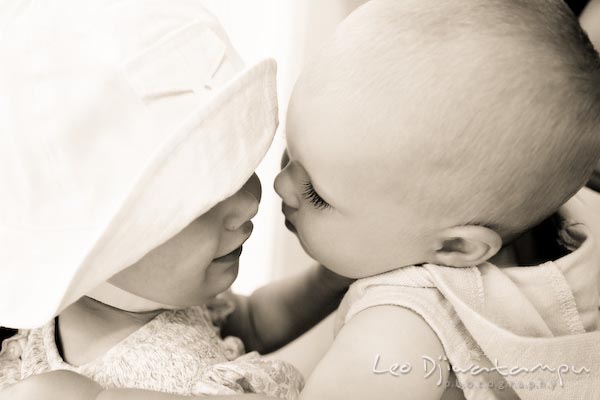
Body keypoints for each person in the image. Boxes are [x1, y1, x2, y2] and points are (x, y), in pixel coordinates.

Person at [0, 1, 349, 399]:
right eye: (204, 199)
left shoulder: (165, 295)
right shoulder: (60, 386)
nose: (252, 200)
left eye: (239, 171)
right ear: (100, 249)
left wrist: (330, 281)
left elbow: (251, 321)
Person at [274, 0, 600, 399]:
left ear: (456, 246)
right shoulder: (571, 210)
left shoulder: (395, 337)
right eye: (289, 153)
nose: (280, 186)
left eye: (316, 195)